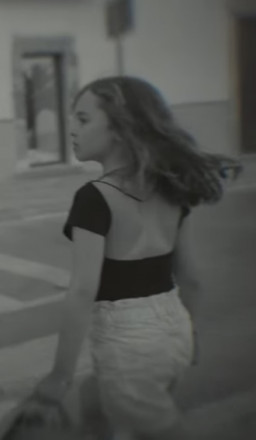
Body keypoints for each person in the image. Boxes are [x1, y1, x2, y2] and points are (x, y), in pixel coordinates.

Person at [33, 76, 241, 440]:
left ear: (119, 128)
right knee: (101, 405)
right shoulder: (171, 188)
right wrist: (189, 333)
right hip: (175, 332)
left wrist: (59, 376)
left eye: (83, 119)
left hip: (128, 346)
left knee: (161, 430)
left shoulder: (94, 198)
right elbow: (191, 278)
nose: (73, 130)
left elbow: (82, 292)